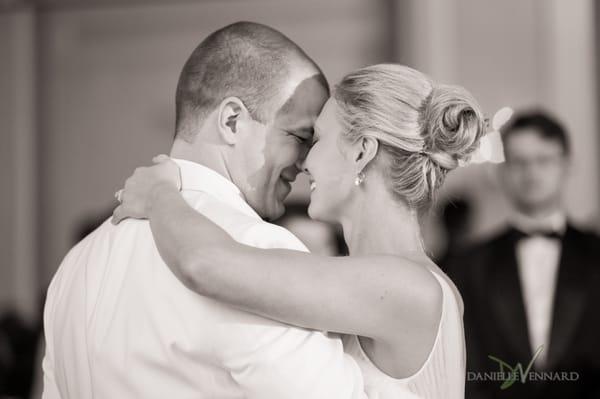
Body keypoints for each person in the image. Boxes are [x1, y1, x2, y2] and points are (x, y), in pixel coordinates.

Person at [113, 63, 489, 399]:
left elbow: (204, 265)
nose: (303, 160)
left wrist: (160, 192)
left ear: (362, 152)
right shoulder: (388, 279)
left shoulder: (407, 285)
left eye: (318, 139)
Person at [42, 22, 371, 399]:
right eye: (299, 137)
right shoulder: (256, 250)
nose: (306, 162)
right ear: (232, 121)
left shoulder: (76, 265)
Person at [445, 111, 600, 398]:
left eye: (543, 160)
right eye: (519, 162)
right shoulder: (468, 265)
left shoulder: (595, 254)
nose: (532, 172)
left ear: (567, 165)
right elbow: (466, 367)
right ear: (503, 172)